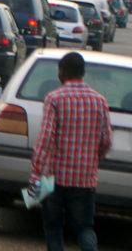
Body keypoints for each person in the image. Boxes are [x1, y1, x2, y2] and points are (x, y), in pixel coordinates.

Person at [30, 52, 112, 251]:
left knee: (53, 228)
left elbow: (45, 139)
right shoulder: (100, 101)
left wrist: (36, 173)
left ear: (62, 72)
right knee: (85, 228)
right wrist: (93, 160)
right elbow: (106, 140)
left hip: (53, 178)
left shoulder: (54, 98)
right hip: (85, 179)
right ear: (83, 72)